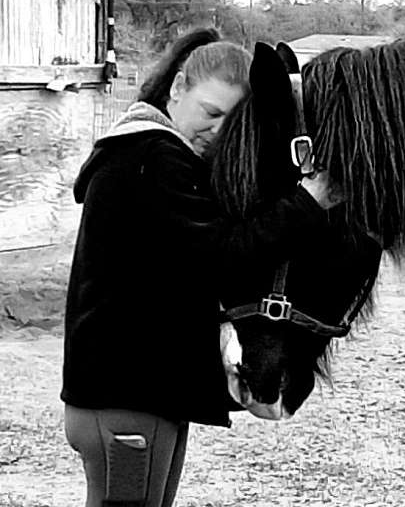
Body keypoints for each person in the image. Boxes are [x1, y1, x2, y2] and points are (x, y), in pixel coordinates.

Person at [61, 28, 341, 507]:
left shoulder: (150, 158)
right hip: (127, 397)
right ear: (176, 90)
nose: (214, 132)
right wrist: (307, 204)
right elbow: (221, 256)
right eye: (209, 113)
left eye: (228, 126)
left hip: (138, 394)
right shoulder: (150, 158)